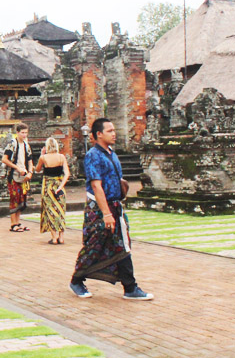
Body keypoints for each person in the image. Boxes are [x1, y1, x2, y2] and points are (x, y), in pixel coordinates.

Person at [70, 119, 153, 301]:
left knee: (122, 244)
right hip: (99, 208)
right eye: (110, 130)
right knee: (94, 245)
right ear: (99, 134)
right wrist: (106, 213)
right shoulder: (93, 155)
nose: (114, 133)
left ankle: (130, 286)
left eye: (114, 130)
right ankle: (76, 280)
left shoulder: (111, 154)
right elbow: (96, 186)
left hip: (114, 205)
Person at [34, 137, 70, 244]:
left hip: (48, 187)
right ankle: (61, 237)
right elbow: (67, 173)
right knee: (60, 211)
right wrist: (61, 186)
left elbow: (37, 169)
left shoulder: (44, 158)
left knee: (50, 211)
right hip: (59, 185)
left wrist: (41, 154)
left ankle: (54, 238)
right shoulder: (61, 157)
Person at [1, 123, 33, 232]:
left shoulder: (26, 145)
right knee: (14, 198)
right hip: (13, 175)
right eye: (22, 133)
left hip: (23, 176)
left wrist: (30, 172)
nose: (24, 135)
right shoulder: (12, 144)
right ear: (17, 133)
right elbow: (4, 159)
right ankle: (13, 223)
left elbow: (29, 160)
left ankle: (18, 222)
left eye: (26, 133)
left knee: (21, 199)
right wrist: (17, 168)